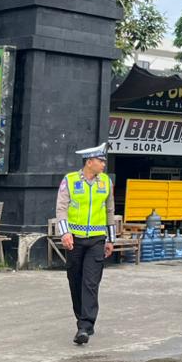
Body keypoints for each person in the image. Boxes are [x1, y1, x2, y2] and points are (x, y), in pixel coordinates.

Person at [56, 143, 115, 345]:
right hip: (74, 240)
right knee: (75, 280)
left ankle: (85, 325)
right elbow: (61, 209)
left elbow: (109, 211)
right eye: (101, 161)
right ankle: (82, 319)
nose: (104, 165)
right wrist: (65, 233)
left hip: (97, 239)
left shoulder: (106, 182)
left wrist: (111, 239)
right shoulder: (70, 180)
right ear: (89, 162)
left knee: (90, 282)